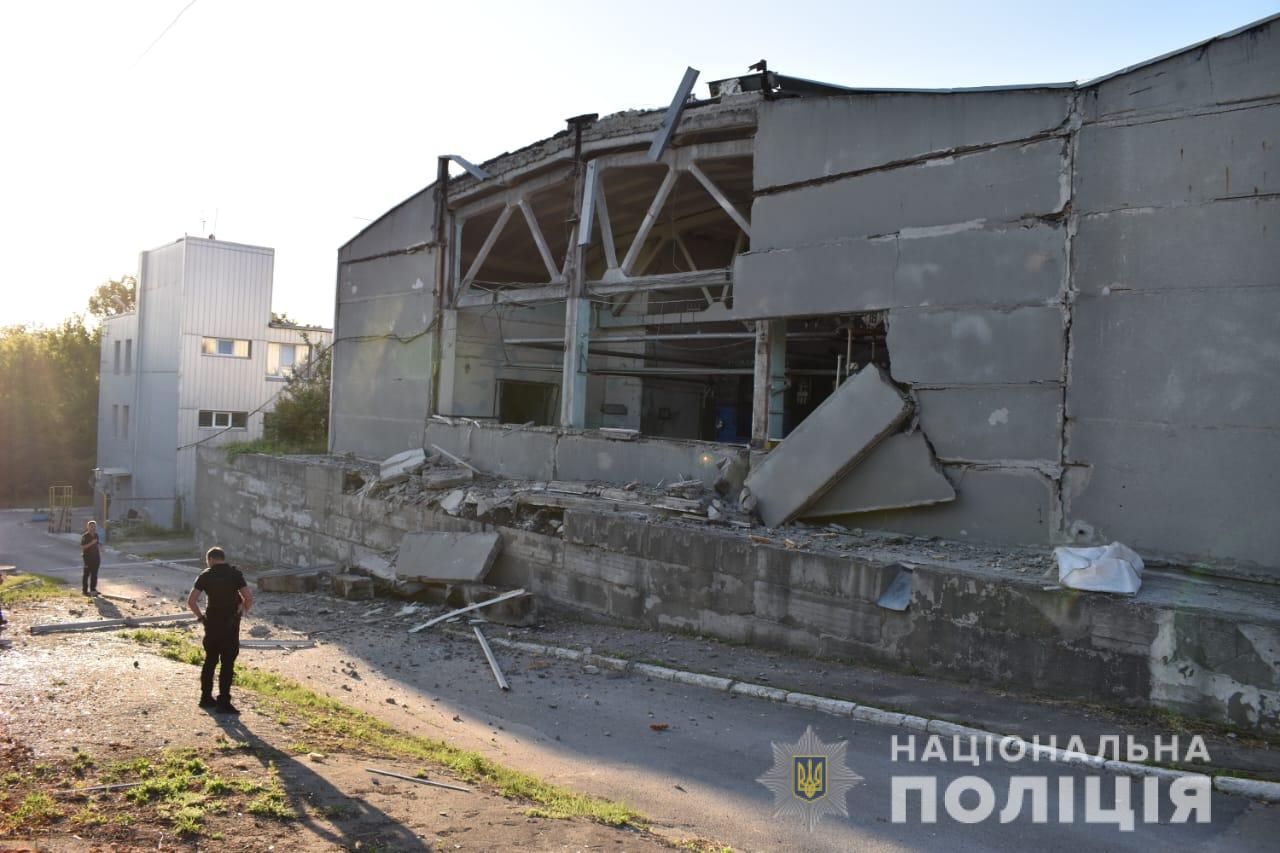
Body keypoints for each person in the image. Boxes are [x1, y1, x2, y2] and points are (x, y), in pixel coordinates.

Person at [186, 547, 253, 714]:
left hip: (212, 624)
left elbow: (192, 601)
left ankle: (206, 698)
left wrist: (201, 618)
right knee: (227, 663)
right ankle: (224, 702)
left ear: (210, 560)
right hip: (230, 625)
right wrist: (243, 610)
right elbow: (249, 597)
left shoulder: (205, 575)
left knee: (210, 661)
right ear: (223, 558)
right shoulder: (235, 574)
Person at [80, 520, 102, 595]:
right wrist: (91, 543)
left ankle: (93, 589)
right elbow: (83, 547)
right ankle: (85, 591)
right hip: (87, 558)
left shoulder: (96, 535)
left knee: (94, 574)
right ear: (88, 527)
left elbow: (97, 544)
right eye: (91, 526)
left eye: (94, 526)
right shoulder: (85, 536)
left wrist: (100, 548)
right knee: (86, 574)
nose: (92, 528)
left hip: (96, 558)